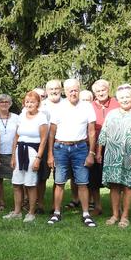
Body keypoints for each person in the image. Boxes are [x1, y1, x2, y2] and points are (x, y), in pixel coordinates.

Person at [46, 79, 98, 227]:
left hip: (80, 148)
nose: (73, 93)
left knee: (82, 182)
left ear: (79, 90)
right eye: (70, 90)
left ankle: (86, 214)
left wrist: (91, 153)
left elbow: (92, 132)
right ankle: (56, 213)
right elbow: (52, 133)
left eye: (75, 90)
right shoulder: (59, 107)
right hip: (60, 148)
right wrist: (50, 154)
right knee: (59, 182)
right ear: (65, 91)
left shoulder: (87, 106)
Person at [97, 84, 131, 228]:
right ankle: (115, 214)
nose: (124, 100)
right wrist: (99, 152)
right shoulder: (112, 113)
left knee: (127, 185)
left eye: (127, 96)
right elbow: (104, 133)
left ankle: (125, 216)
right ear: (117, 99)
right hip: (112, 155)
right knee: (114, 186)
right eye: (121, 97)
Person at [4, 91, 48, 222]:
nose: (29, 104)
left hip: (33, 152)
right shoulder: (21, 116)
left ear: (37, 103)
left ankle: (31, 212)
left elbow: (44, 139)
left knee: (30, 184)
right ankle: (17, 211)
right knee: (17, 183)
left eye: (32, 102)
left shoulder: (42, 117)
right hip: (19, 151)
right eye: (27, 102)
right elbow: (16, 137)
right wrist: (13, 156)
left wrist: (38, 158)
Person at [89, 79, 120, 216]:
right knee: (94, 178)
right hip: (93, 145)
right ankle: (97, 206)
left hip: (113, 145)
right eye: (98, 91)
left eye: (103, 90)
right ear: (94, 93)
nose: (101, 93)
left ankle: (117, 208)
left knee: (114, 178)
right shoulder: (89, 106)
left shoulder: (116, 104)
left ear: (108, 90)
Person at [36, 80, 62, 212]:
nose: (54, 91)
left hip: (61, 143)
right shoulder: (41, 106)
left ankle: (55, 205)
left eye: (56, 88)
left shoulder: (66, 104)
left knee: (59, 177)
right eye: (51, 89)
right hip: (45, 144)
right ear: (46, 91)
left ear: (61, 90)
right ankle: (39, 204)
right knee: (42, 176)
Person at [0, 93, 17, 211]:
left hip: (14, 152)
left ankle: (18, 203)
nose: (4, 104)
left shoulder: (17, 118)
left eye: (6, 102)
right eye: (1, 102)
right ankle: (1, 203)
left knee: (17, 179)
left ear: (10, 104)